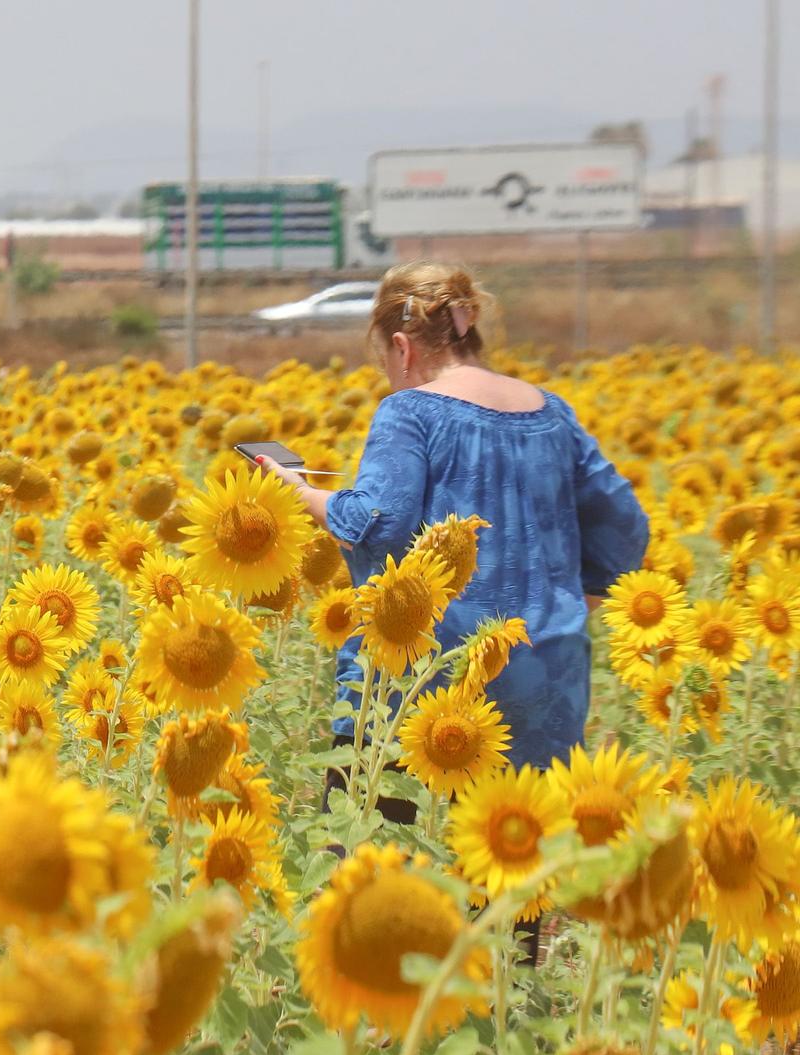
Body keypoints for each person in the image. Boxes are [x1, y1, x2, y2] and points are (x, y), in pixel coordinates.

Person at [255, 259, 649, 796]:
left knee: (383, 855)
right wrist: (569, 602)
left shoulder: (410, 411)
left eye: (387, 361)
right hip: (549, 670)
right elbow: (624, 524)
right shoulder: (553, 413)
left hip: (435, 684)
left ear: (403, 346)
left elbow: (376, 523)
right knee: (522, 852)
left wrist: (300, 491)